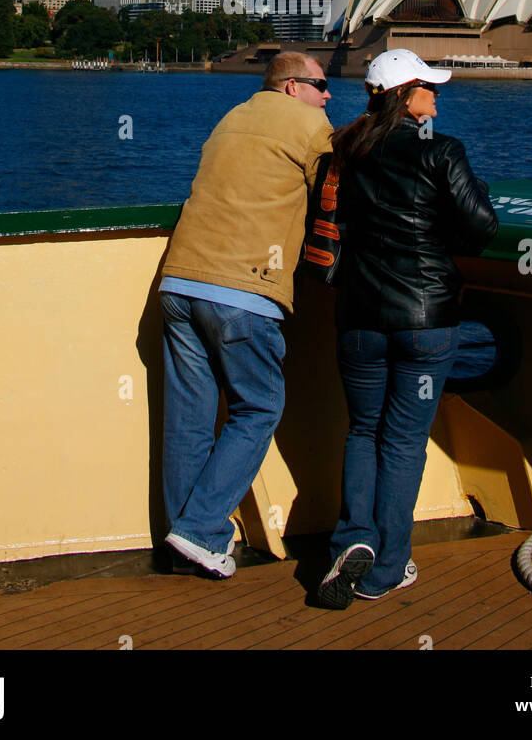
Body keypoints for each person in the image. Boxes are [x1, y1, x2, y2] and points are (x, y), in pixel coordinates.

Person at [318, 48, 498, 609]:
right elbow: (481, 229)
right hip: (425, 321)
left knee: (362, 432)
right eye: (430, 89)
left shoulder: (341, 152)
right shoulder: (442, 152)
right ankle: (387, 568)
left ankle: (353, 541)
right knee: (402, 442)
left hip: (358, 321)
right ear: (405, 95)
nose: (438, 102)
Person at [159, 51, 333, 578]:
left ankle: (184, 540)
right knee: (258, 408)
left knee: (189, 420)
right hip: (243, 293)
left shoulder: (231, 116)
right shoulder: (311, 124)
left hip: (180, 281)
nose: (329, 95)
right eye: (321, 84)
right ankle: (199, 530)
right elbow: (335, 195)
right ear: (290, 88)